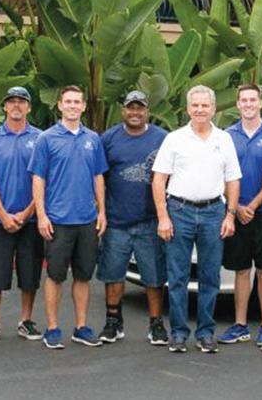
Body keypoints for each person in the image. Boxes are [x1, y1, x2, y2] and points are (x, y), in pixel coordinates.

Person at [152, 85, 241, 354]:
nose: (200, 110)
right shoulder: (174, 139)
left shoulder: (224, 139)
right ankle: (178, 333)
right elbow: (159, 180)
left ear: (213, 108)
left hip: (214, 212)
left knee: (210, 276)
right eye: (195, 105)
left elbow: (233, 180)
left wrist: (230, 215)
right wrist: (163, 217)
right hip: (179, 211)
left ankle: (206, 333)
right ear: (188, 108)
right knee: (177, 276)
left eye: (205, 105)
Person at [28, 85, 108, 349]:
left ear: (83, 106)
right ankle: (52, 328)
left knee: (83, 276)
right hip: (58, 221)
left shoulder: (92, 139)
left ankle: (81, 327)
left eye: (77, 102)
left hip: (87, 219)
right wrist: (41, 215)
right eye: (68, 102)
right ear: (60, 105)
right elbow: (38, 178)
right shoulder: (46, 139)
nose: (73, 106)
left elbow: (98, 176)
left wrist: (102, 211)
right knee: (55, 276)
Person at [96, 91, 169, 345]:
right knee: (113, 274)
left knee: (154, 276)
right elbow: (99, 177)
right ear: (123, 110)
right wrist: (101, 211)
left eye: (140, 108)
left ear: (147, 111)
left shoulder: (162, 138)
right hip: (117, 220)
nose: (135, 113)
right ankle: (113, 322)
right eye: (130, 108)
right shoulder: (109, 138)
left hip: (150, 220)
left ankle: (156, 324)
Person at [0, 87, 44, 343]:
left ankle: (25, 320)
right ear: (5, 107)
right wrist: (4, 214)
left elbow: (43, 179)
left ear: (28, 107)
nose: (17, 106)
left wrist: (27, 213)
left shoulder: (41, 138)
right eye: (12, 102)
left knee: (30, 274)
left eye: (22, 102)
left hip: (32, 218)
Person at [218, 85, 262, 347]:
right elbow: (221, 174)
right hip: (235, 212)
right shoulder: (226, 136)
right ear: (238, 104)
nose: (248, 104)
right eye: (243, 100)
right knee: (242, 270)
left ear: (260, 103)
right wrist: (237, 208)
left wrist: (252, 206)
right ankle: (240, 324)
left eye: (252, 100)